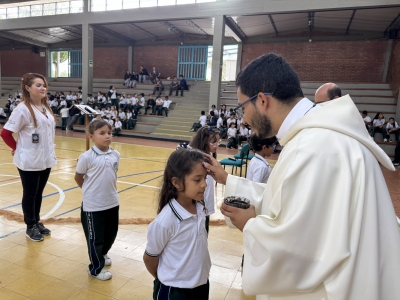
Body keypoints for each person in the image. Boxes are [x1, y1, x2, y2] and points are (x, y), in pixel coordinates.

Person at [203, 53, 400, 300]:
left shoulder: (311, 146)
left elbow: (300, 250)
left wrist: (251, 226)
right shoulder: (321, 136)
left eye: (242, 107)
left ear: (262, 100)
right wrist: (230, 182)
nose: (243, 118)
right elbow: (291, 200)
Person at [143, 149, 211, 299]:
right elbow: (150, 258)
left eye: (205, 179)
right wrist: (167, 278)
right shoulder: (165, 221)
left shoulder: (200, 207)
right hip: (174, 291)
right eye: (197, 180)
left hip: (200, 285)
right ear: (176, 183)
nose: (204, 185)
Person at [0, 73, 56, 242]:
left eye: (44, 85)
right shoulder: (22, 109)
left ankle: (37, 221)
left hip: (45, 158)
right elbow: (5, 133)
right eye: (38, 85)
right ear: (27, 88)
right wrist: (17, 148)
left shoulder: (46, 108)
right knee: (30, 193)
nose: (42, 88)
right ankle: (30, 225)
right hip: (29, 160)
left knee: (39, 192)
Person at [75, 119, 120, 281]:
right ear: (91, 137)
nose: (107, 136)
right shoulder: (86, 157)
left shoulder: (116, 154)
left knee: (111, 233)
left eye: (109, 132)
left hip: (112, 202)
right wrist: (90, 192)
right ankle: (95, 268)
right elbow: (79, 177)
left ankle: (103, 253)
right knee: (95, 238)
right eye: (102, 133)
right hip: (93, 206)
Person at [189, 126, 220, 233]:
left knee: (204, 234)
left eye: (218, 142)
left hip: (206, 202)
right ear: (203, 141)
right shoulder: (196, 159)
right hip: (197, 203)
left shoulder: (209, 155)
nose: (216, 145)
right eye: (213, 142)